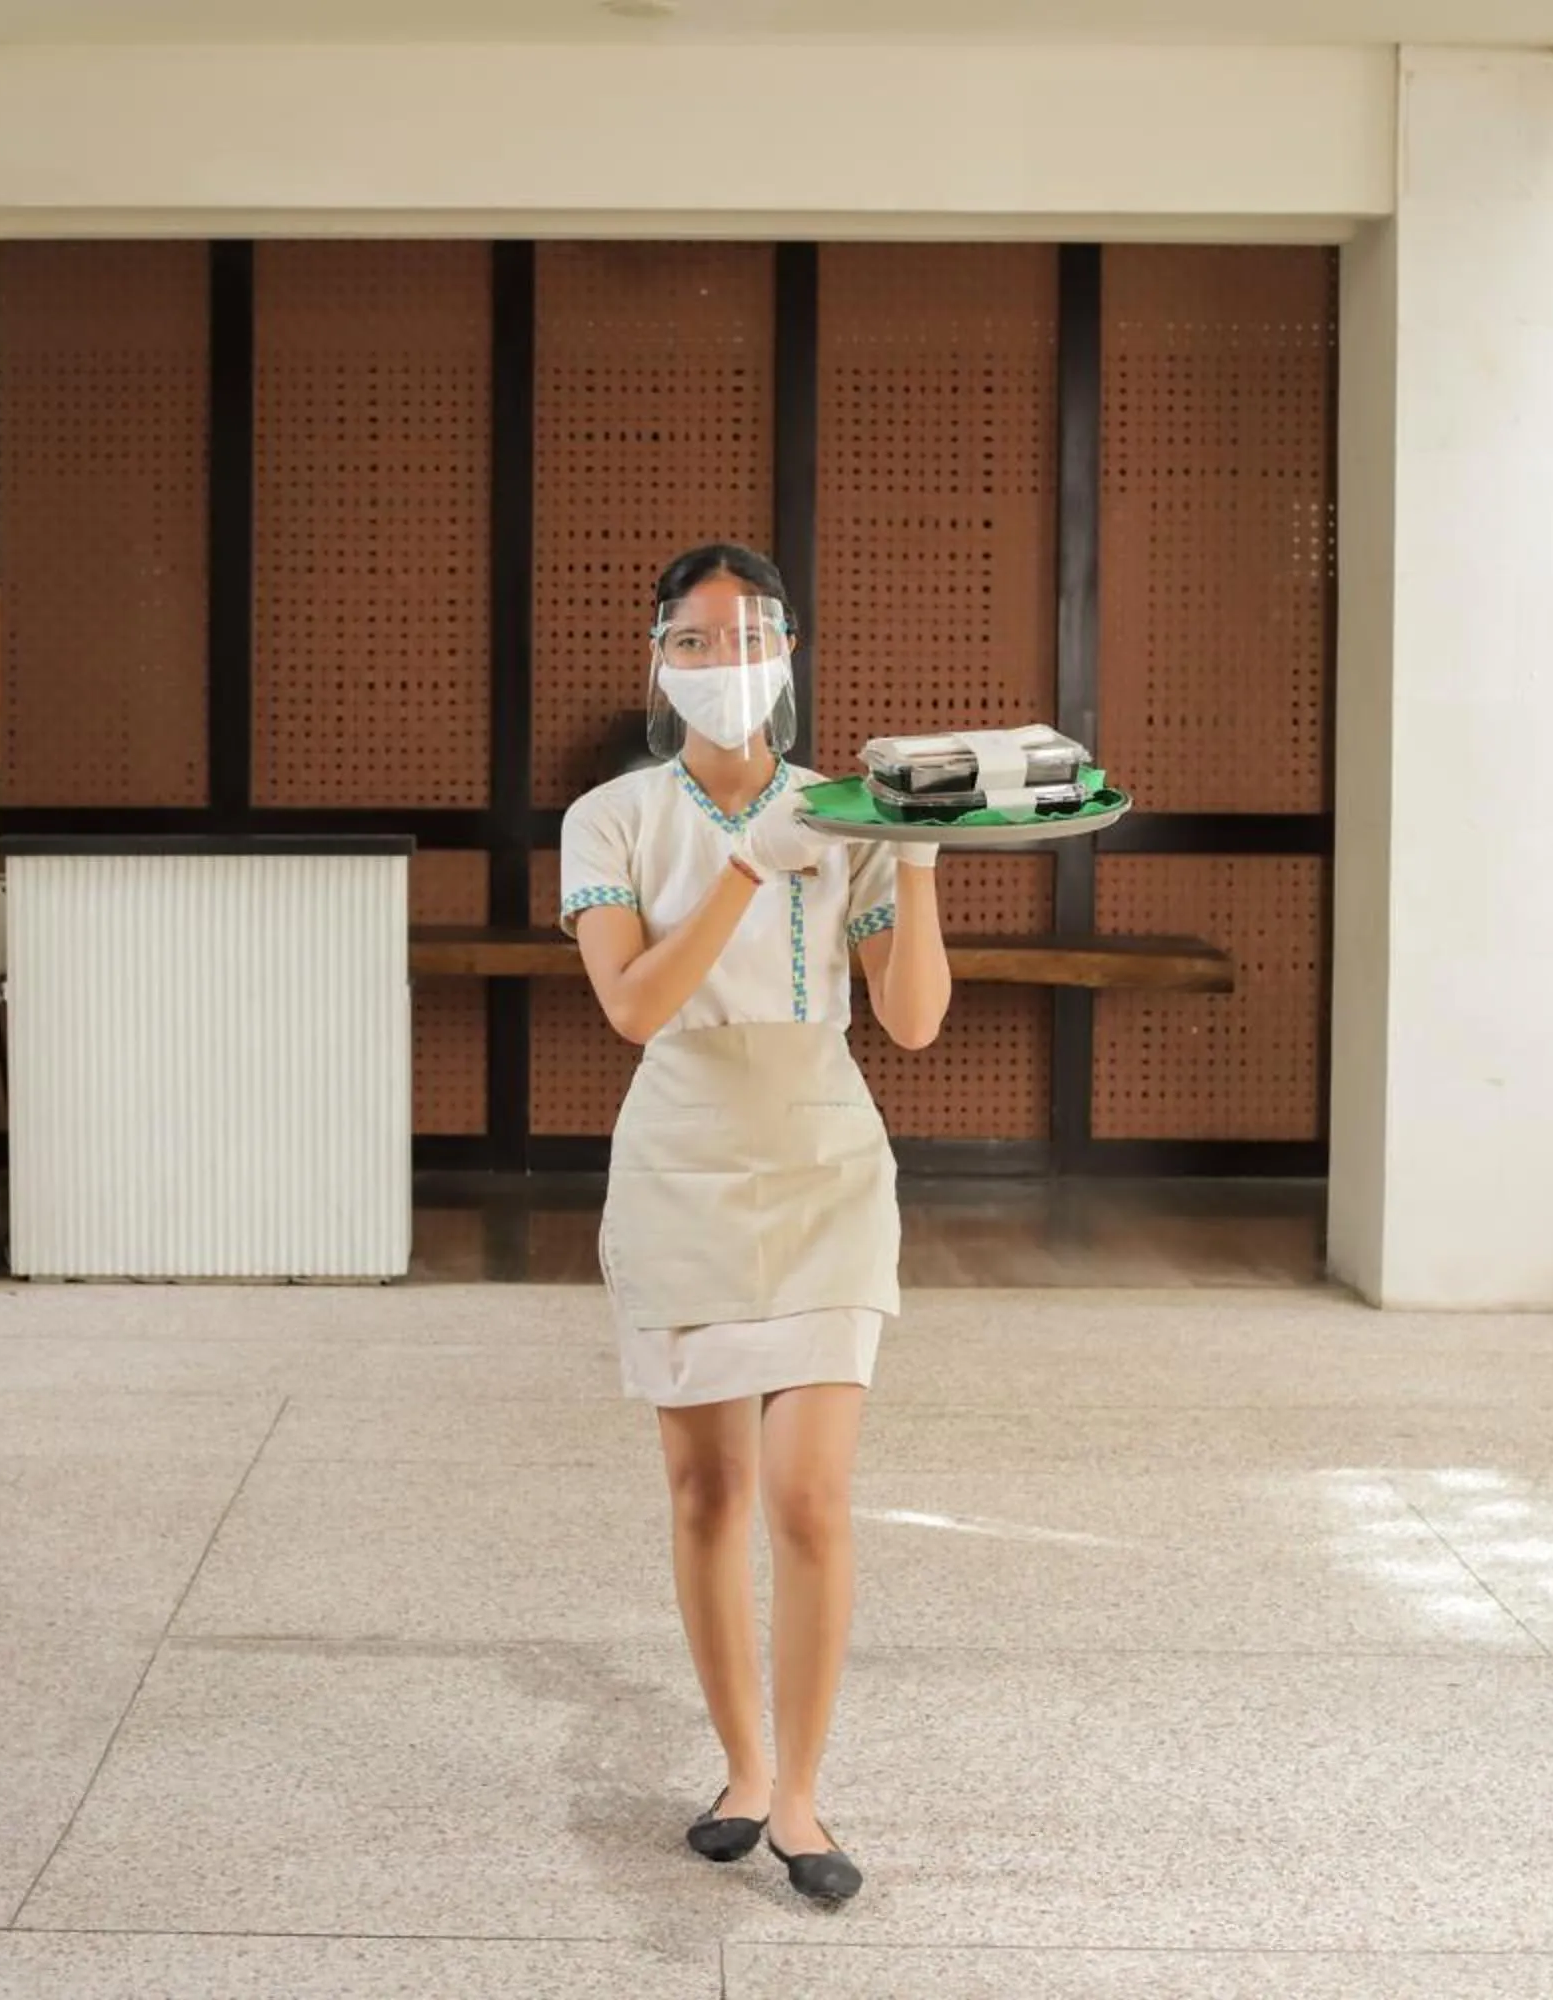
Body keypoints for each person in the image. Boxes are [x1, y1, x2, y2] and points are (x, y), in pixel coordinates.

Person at [558, 543, 950, 1906]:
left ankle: (801, 1795)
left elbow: (912, 1020)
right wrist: (744, 866)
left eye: (752, 636)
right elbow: (632, 1008)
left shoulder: (847, 813)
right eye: (698, 639)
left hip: (825, 1160)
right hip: (682, 1164)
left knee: (809, 1495)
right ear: (658, 658)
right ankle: (739, 1766)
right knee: (708, 1492)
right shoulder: (610, 819)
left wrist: (914, 853)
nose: (727, 662)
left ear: (789, 652)